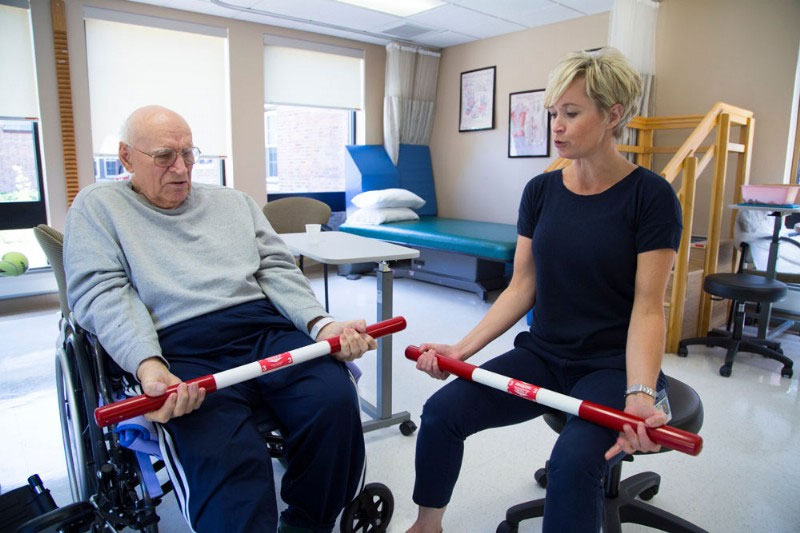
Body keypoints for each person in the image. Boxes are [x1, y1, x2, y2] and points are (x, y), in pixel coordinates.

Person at [407, 47, 682, 532]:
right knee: (441, 412)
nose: (556, 125)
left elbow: (648, 307)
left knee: (572, 465)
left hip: (611, 366)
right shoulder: (541, 190)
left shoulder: (651, 196)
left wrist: (640, 393)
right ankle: (427, 524)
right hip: (544, 354)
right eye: (554, 113)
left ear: (613, 115)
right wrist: (460, 350)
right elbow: (522, 286)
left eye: (571, 113)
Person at [64, 105, 377, 532]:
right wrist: (148, 364)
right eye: (163, 156)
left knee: (334, 402)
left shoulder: (233, 202)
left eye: (189, 154)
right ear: (126, 156)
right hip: (177, 345)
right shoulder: (99, 206)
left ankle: (309, 523)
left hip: (262, 327)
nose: (181, 168)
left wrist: (322, 325)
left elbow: (276, 269)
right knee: (228, 453)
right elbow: (103, 290)